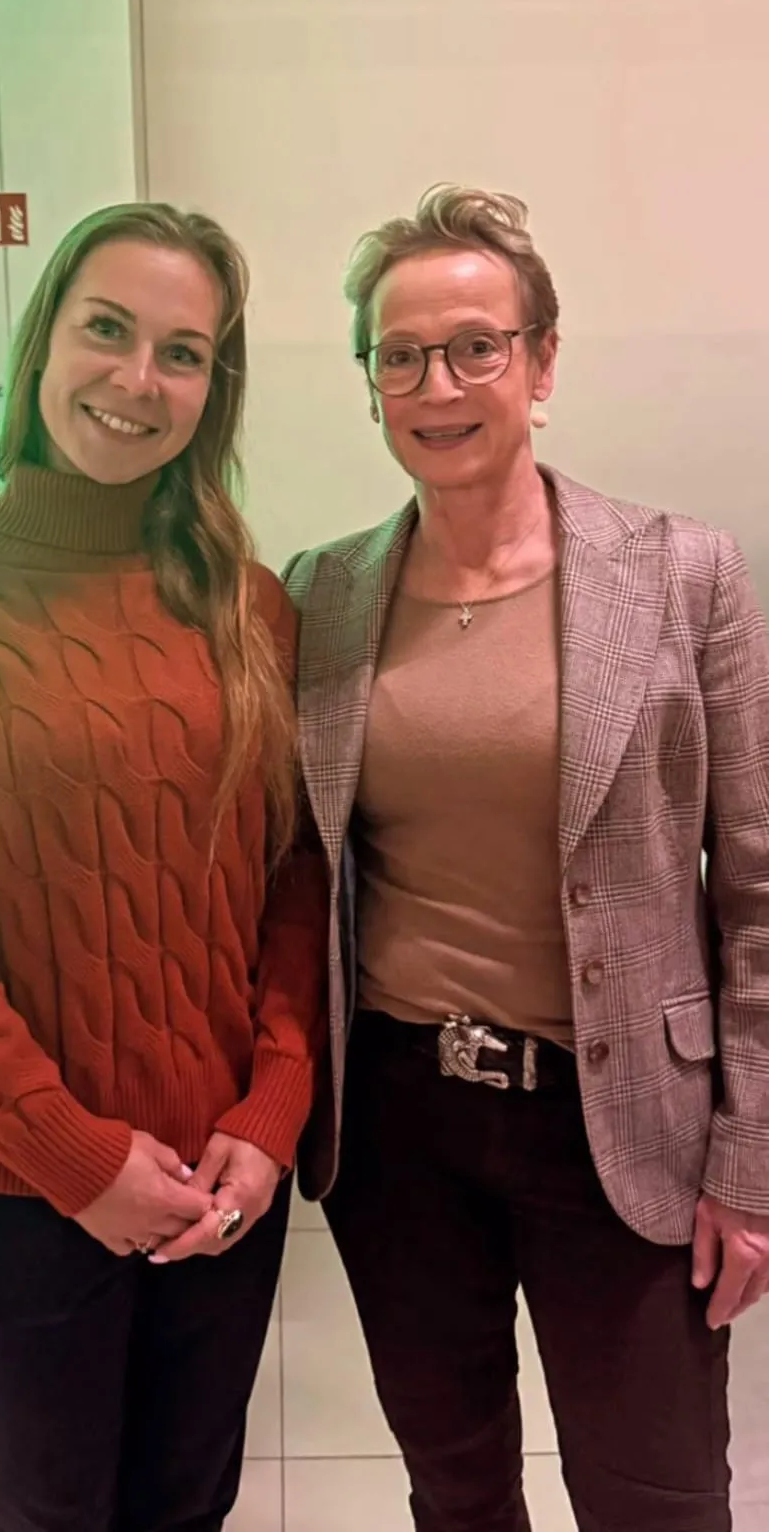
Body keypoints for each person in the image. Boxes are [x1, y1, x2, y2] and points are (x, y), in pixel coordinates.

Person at [0, 200, 327, 1532]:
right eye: (107, 329)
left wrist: (271, 1112)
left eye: (182, 352)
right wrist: (75, 1157)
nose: (136, 379)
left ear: (212, 389)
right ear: (44, 340)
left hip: (222, 1185)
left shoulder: (250, 607)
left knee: (188, 1505)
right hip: (17, 1191)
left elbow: (294, 876)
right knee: (49, 1513)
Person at [283, 183, 769, 1532]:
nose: (436, 385)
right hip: (397, 1125)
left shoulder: (685, 578)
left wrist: (750, 1162)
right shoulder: (321, 594)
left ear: (541, 364)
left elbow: (757, 897)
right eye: (399, 355)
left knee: (655, 1499)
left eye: (475, 347)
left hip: (619, 1124)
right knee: (455, 1490)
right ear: (369, 382)